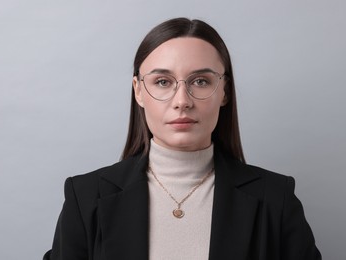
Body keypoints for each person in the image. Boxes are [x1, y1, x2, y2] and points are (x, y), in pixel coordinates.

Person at [44, 17, 321, 260]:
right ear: (138, 91)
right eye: (162, 82)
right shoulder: (86, 198)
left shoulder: (276, 199)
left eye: (200, 81)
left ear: (224, 91)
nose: (182, 101)